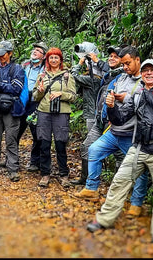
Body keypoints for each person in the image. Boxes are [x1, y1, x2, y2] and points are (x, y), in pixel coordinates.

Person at [86, 59, 153, 244]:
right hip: (138, 148)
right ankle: (104, 219)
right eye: (145, 70)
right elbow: (121, 119)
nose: (148, 73)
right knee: (119, 181)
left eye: (152, 70)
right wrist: (112, 107)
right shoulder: (137, 94)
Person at [73, 45, 149, 213]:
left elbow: (150, 101)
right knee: (93, 150)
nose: (125, 67)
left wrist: (127, 98)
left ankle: (137, 203)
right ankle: (92, 188)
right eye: (123, 64)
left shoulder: (146, 79)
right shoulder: (121, 78)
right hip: (114, 129)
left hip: (133, 133)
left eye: (128, 63)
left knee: (139, 167)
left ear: (137, 60)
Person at [70, 45, 124, 185]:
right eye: (110, 56)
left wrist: (96, 60)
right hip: (100, 119)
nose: (111, 58)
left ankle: (118, 186)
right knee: (87, 147)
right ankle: (87, 180)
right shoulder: (106, 75)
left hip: (114, 121)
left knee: (120, 155)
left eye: (115, 56)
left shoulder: (122, 75)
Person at [32, 47, 77, 187]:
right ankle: (45, 174)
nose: (53, 60)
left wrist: (61, 94)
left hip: (61, 113)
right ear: (47, 60)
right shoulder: (42, 75)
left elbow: (74, 97)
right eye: (51, 57)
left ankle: (63, 175)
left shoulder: (67, 76)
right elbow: (34, 96)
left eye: (56, 57)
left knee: (60, 144)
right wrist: (40, 91)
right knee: (44, 144)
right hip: (44, 112)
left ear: (60, 60)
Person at [0, 40, 26, 182]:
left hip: (11, 109)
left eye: (3, 55)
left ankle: (13, 169)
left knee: (11, 140)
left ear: (10, 54)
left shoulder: (18, 69)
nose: (0, 57)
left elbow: (16, 89)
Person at [16, 42, 47, 173]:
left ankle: (35, 161)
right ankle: (11, 159)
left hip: (36, 101)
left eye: (38, 50)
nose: (34, 51)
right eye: (34, 49)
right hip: (22, 100)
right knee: (16, 130)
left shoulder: (46, 68)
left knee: (36, 132)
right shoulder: (24, 65)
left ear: (44, 56)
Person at [70, 41, 108, 132]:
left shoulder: (92, 80)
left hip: (92, 115)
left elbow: (73, 76)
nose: (87, 67)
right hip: (99, 113)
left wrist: (79, 64)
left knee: (92, 138)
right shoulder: (100, 79)